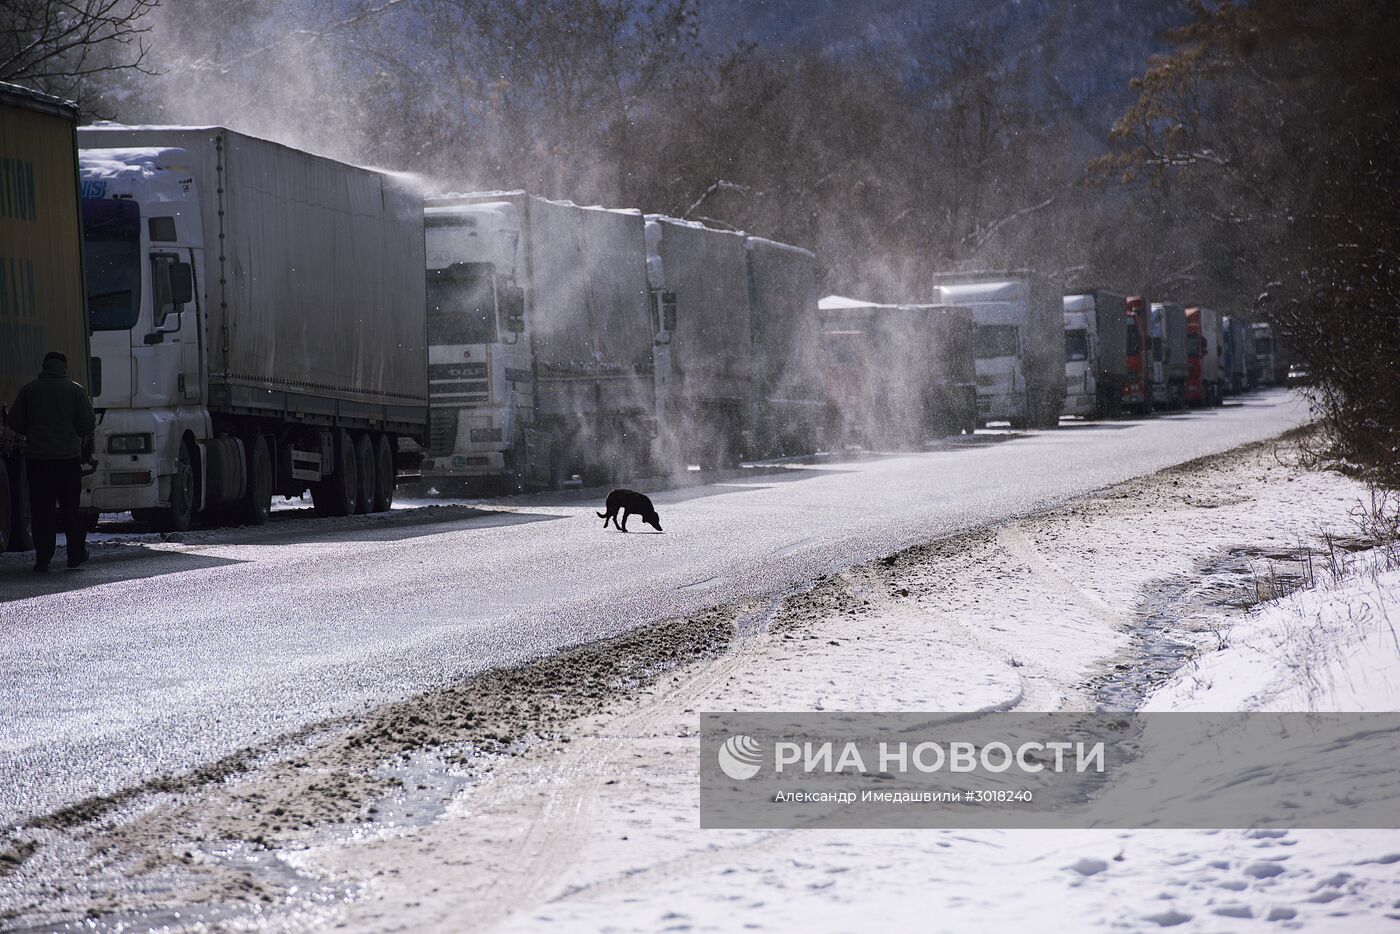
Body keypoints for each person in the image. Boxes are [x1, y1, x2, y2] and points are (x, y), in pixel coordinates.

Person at [6, 351, 96, 572]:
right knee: (70, 510)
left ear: (44, 366)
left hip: (38, 461)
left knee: (41, 510)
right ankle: (75, 554)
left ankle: (43, 558)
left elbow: (14, 422)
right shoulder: (75, 390)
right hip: (68, 460)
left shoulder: (29, 390)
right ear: (64, 367)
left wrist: (34, 431)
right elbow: (87, 424)